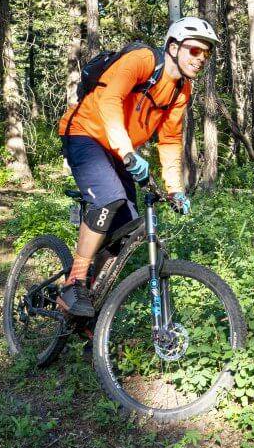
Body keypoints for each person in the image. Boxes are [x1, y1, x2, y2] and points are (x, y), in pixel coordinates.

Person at [55, 17, 219, 317]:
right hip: (85, 133)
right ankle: (73, 283)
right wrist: (128, 152)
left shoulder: (182, 90)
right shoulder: (142, 60)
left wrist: (175, 189)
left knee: (127, 227)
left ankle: (91, 298)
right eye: (195, 50)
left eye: (206, 54)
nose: (201, 59)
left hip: (119, 150)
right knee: (109, 198)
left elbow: (169, 139)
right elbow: (109, 100)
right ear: (173, 46)